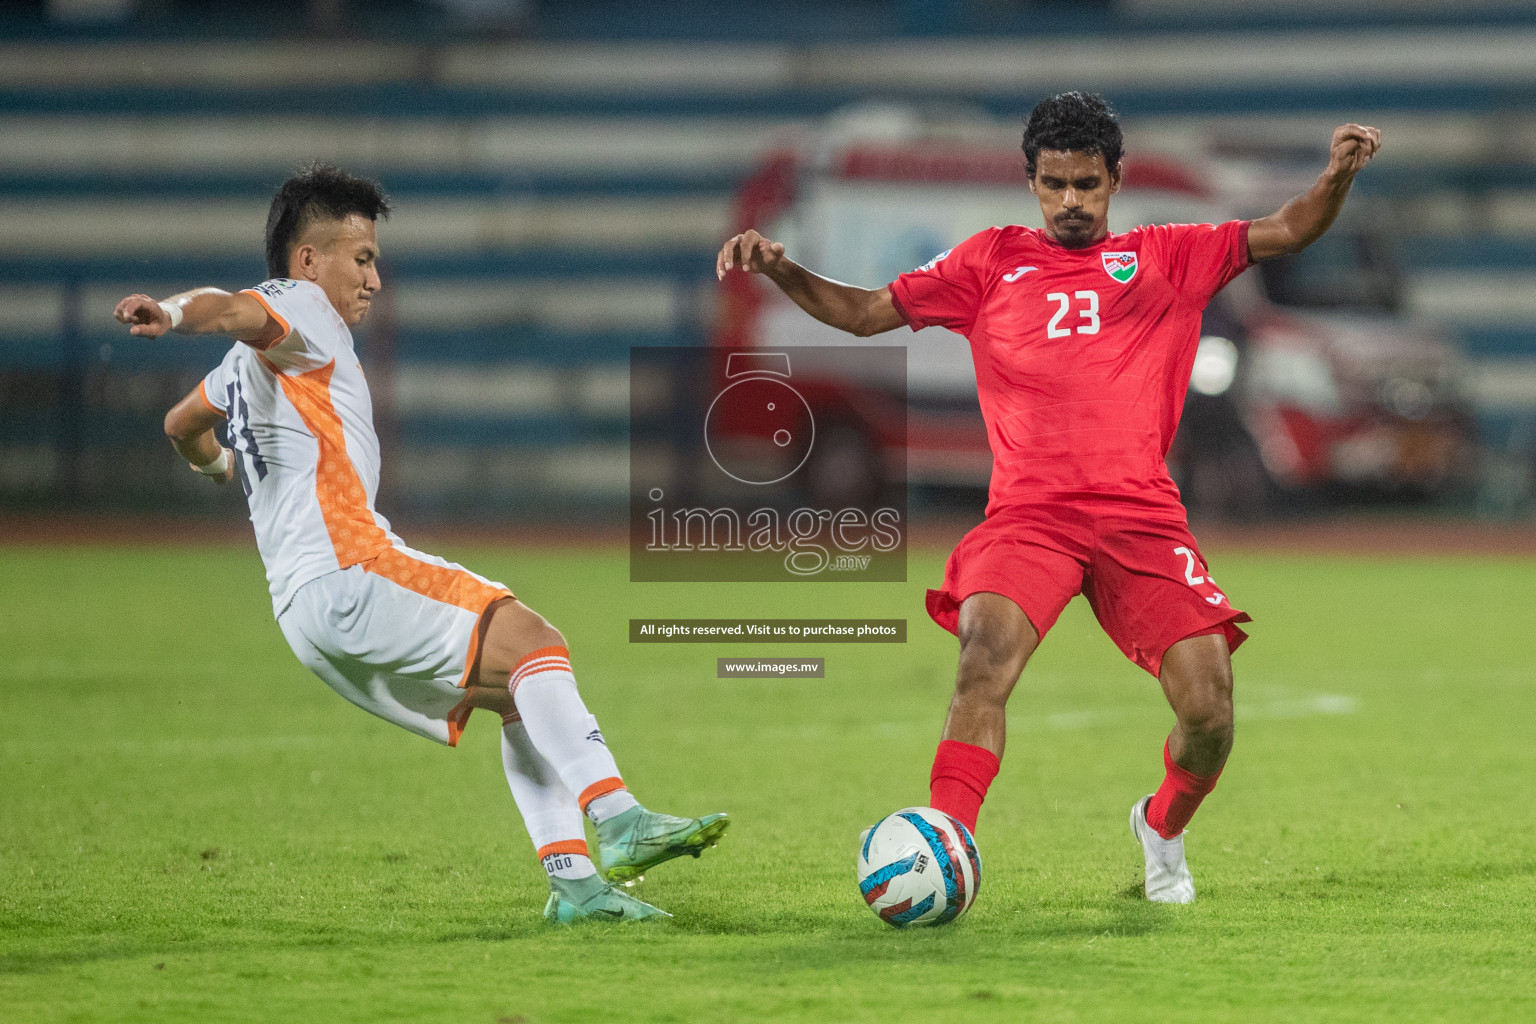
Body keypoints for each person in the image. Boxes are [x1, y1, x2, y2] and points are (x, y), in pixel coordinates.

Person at [717, 93, 1379, 904]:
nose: (1071, 201)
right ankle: (941, 846)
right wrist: (783, 267)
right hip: (1030, 518)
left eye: (1087, 185)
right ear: (1031, 180)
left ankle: (1162, 825)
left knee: (1210, 710)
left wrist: (1336, 178)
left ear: (1116, 180)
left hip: (1142, 519)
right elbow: (862, 314)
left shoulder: (1170, 255)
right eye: (1055, 184)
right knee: (982, 662)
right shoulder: (988, 263)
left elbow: (1287, 227)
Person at [115, 164, 727, 924]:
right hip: (350, 569)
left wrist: (225, 468)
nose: (374, 278)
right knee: (537, 642)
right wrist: (170, 314)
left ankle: (574, 886)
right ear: (308, 261)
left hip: (303, 614)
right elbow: (228, 308)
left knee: (515, 694)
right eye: (361, 257)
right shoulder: (298, 305)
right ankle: (620, 818)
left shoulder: (245, 370)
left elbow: (180, 426)